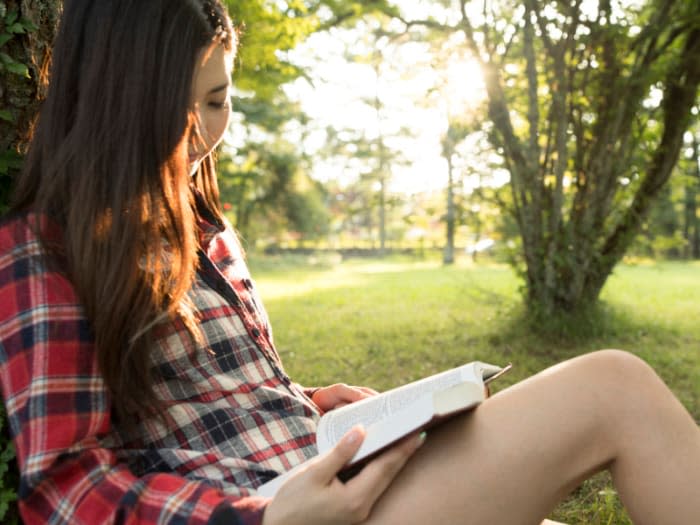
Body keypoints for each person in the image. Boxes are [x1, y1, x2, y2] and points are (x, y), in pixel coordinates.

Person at [0, 1, 698, 524]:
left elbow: (200, 402)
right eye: (174, 108)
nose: (200, 133)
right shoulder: (42, 248)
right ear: (114, 102)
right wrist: (262, 517)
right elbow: (64, 485)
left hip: (327, 471)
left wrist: (307, 400)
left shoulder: (203, 227)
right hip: (285, 508)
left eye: (218, 100)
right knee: (617, 388)